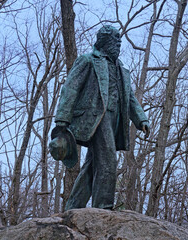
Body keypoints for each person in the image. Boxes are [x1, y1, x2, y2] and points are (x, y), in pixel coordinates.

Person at [52, 25, 149, 210]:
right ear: (104, 41)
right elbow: (70, 88)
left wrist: (141, 119)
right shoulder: (88, 60)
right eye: (115, 40)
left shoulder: (121, 68)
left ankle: (73, 206)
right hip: (95, 118)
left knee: (92, 165)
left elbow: (129, 97)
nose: (118, 44)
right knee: (108, 159)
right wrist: (62, 120)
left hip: (116, 119)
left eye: (119, 41)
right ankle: (104, 206)